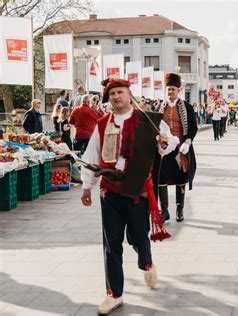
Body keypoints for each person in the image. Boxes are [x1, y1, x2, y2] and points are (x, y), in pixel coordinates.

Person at [80, 78, 178, 315]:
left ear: (129, 94)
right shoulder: (102, 124)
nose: (116, 96)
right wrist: (86, 186)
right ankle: (114, 294)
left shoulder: (149, 120)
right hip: (110, 191)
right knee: (111, 245)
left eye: (120, 92)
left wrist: (164, 143)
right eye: (112, 93)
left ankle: (146, 262)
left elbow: (170, 143)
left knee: (138, 238)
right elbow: (92, 155)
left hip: (137, 190)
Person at [154, 72, 198, 223]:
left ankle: (180, 209)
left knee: (181, 177)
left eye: (173, 89)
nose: (170, 91)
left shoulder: (186, 107)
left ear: (179, 90)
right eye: (168, 89)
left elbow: (193, 127)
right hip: (164, 150)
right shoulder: (159, 106)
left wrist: (188, 142)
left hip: (181, 149)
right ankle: (164, 211)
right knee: (160, 178)